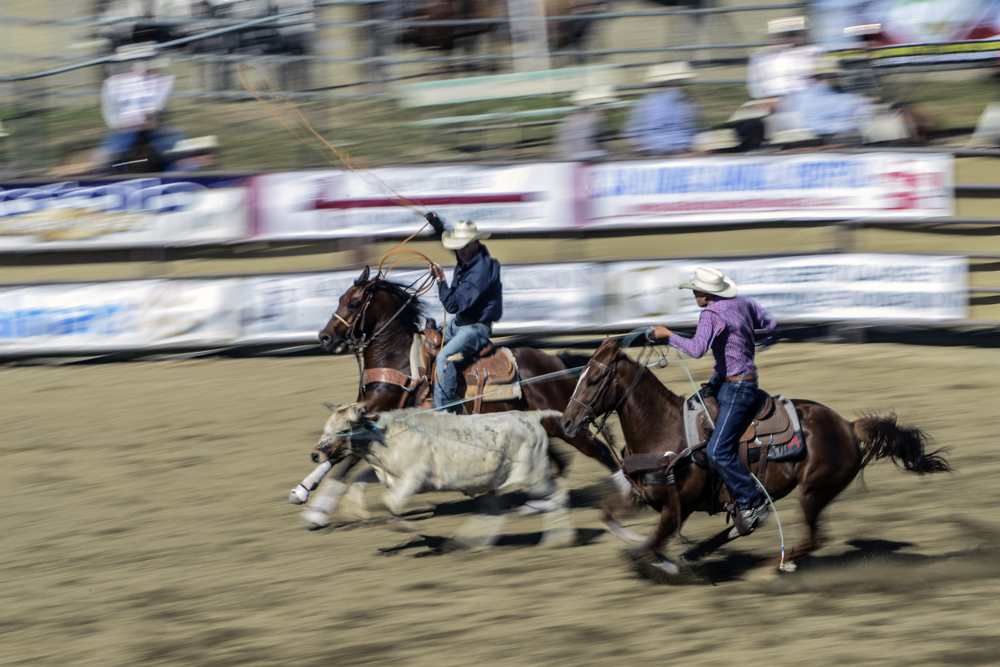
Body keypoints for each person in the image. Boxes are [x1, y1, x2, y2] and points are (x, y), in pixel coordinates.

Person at [648, 267, 777, 536]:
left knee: (718, 450)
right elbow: (770, 321)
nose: (694, 294)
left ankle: (752, 501)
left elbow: (696, 350)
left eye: (695, 290)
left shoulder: (710, 313)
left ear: (705, 294)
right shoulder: (744, 303)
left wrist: (667, 336)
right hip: (734, 377)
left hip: (737, 387)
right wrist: (764, 339)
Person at [427, 220, 503, 412]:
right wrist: (437, 225)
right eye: (457, 245)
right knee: (424, 338)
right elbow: (456, 247)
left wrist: (440, 279)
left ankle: (441, 413)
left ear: (475, 244)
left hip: (476, 329)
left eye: (464, 245)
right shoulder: (469, 257)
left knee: (444, 356)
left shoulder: (481, 272)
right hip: (459, 324)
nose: (459, 249)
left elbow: (453, 305)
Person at [93, 44, 186, 173]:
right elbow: (110, 111)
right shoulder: (112, 83)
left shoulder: (161, 80)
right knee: (106, 156)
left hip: (150, 126)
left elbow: (155, 110)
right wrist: (121, 124)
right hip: (124, 128)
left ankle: (177, 173)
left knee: (176, 146)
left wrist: (147, 118)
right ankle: (108, 174)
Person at [623, 62, 700, 155]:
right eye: (680, 81)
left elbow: (631, 133)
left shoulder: (645, 103)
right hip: (669, 151)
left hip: (665, 151)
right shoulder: (684, 101)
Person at [554, 86, 617, 161]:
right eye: (605, 104)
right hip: (588, 161)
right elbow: (602, 146)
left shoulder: (567, 120)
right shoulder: (596, 120)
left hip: (572, 162)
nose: (608, 108)